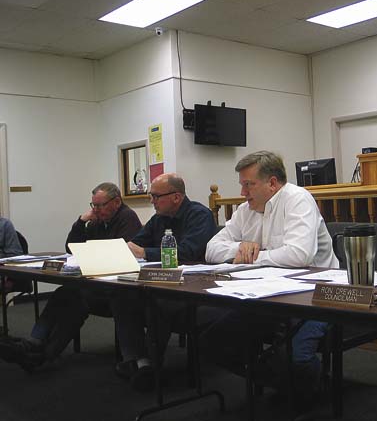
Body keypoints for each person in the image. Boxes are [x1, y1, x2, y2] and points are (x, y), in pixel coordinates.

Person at [204, 150, 338, 411]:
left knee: (296, 358)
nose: (243, 192)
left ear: (272, 183)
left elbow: (299, 255)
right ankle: (283, 383)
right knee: (213, 342)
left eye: (248, 185)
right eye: (242, 185)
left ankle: (312, 388)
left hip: (316, 297)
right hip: (268, 295)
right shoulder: (246, 210)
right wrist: (240, 248)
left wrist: (255, 256)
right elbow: (211, 249)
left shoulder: (298, 199)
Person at [0, 183, 142, 371]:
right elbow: (71, 247)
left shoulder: (127, 218)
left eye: (100, 205)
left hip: (118, 289)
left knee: (75, 299)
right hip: (97, 284)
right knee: (65, 295)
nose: (96, 210)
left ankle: (40, 353)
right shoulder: (99, 220)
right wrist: (81, 222)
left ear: (116, 202)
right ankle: (35, 345)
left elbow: (117, 253)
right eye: (93, 205)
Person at [111, 173, 216, 391]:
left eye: (156, 196)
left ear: (176, 197)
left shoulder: (199, 215)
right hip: (163, 280)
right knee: (122, 296)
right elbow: (136, 243)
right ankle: (139, 362)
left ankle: (151, 363)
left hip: (194, 286)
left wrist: (145, 253)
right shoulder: (159, 218)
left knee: (157, 302)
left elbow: (188, 252)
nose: (152, 201)